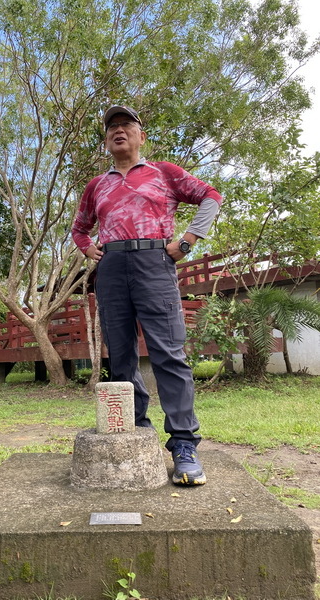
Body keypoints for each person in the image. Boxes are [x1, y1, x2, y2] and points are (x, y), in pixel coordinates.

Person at [71, 106, 222, 485]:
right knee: (120, 356)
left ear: (140, 136)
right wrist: (88, 248)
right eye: (111, 128)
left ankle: (184, 444)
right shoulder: (96, 185)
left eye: (126, 126)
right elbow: (80, 228)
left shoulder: (164, 173)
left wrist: (187, 241)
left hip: (155, 262)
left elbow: (211, 196)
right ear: (106, 141)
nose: (118, 131)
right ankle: (135, 434)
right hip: (112, 268)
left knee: (168, 352)